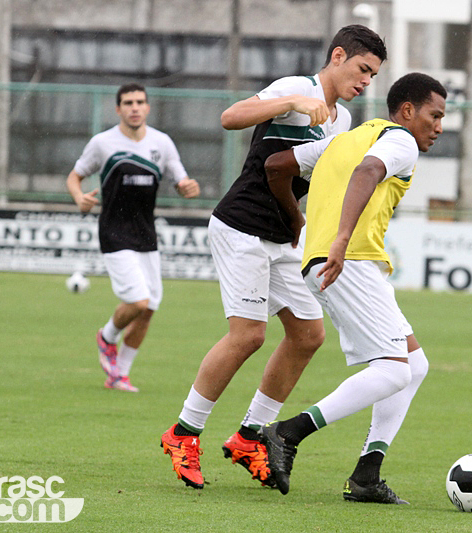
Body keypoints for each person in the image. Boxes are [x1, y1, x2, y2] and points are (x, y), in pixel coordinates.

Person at [160, 25, 387, 490]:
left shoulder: (341, 120)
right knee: (248, 336)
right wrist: (290, 103)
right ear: (338, 55)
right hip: (241, 226)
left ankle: (248, 437)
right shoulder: (296, 88)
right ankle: (183, 433)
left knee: (307, 336)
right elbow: (230, 117)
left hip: (282, 237)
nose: (366, 81)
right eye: (363, 69)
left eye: (373, 75)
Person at [259, 72, 446, 503]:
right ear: (406, 110)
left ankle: (367, 474)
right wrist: (341, 237)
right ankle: (287, 433)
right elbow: (369, 170)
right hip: (348, 261)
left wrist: (296, 218)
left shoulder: (346, 138)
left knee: (414, 366)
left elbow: (276, 166)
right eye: (434, 115)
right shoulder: (398, 141)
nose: (438, 126)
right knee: (394, 370)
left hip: (331, 260)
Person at [67, 82, 200, 392]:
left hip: (146, 233)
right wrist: (78, 197)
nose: (135, 107)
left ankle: (119, 374)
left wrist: (187, 187)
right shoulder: (102, 143)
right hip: (114, 231)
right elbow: (75, 176)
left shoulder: (162, 143)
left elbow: (180, 177)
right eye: (128, 102)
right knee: (138, 301)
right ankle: (107, 337)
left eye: (140, 101)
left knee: (150, 307)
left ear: (148, 107)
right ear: (118, 109)